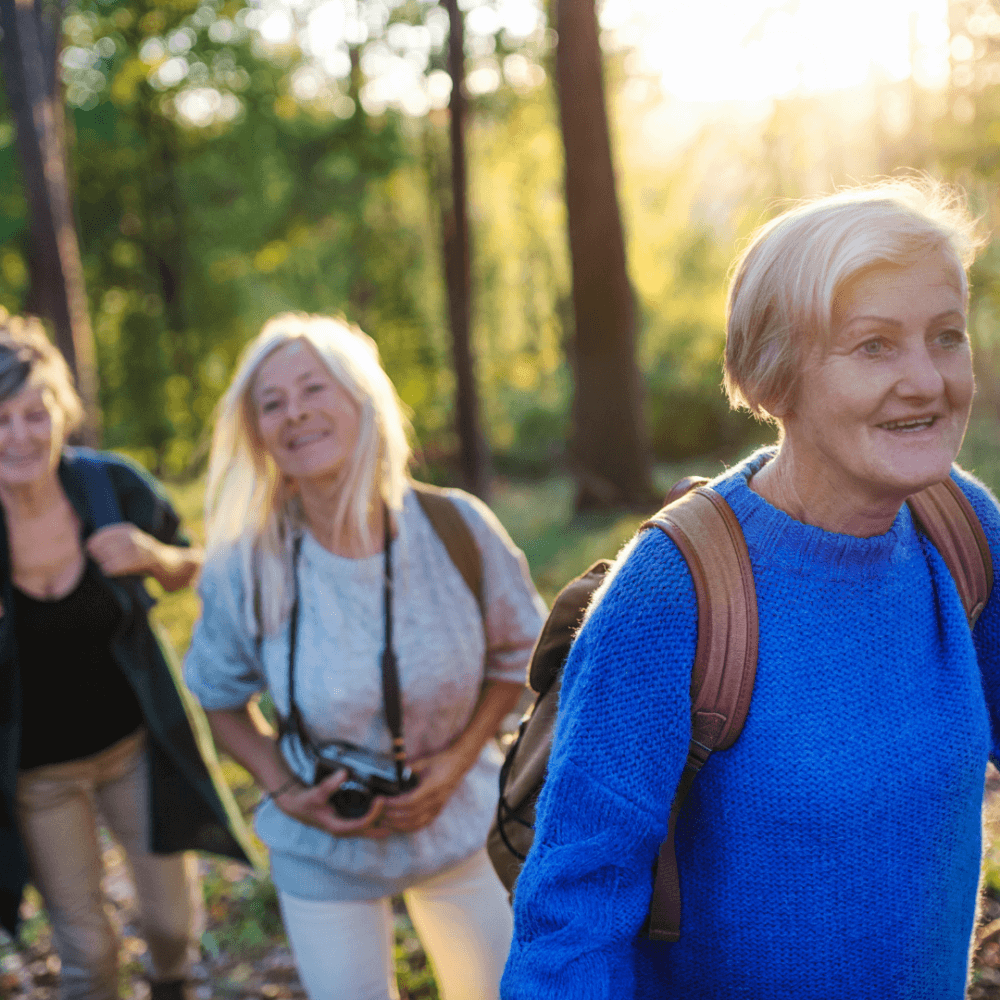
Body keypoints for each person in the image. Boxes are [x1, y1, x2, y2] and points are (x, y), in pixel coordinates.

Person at [501, 178, 1000, 999]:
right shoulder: (674, 593)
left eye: (946, 336)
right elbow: (572, 914)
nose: (927, 380)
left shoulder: (962, 529)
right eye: (875, 345)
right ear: (777, 376)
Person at [183, 312, 545, 1000]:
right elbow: (217, 696)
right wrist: (286, 789)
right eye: (272, 402)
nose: (295, 413)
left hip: (461, 823)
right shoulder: (246, 563)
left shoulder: (458, 528)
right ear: (257, 434)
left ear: (361, 399)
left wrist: (459, 758)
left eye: (314, 389)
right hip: (324, 847)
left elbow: (518, 659)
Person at [0, 313, 255, 1000]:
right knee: (88, 954)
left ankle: (172, 985)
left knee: (172, 927)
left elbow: (201, 566)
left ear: (61, 412)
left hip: (134, 749)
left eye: (35, 413)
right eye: (1, 419)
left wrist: (154, 556)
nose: (20, 436)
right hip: (37, 777)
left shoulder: (110, 487)